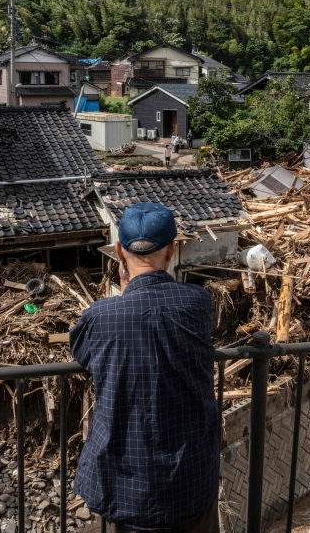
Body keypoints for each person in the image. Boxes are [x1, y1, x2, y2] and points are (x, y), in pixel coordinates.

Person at [69, 203, 219, 533]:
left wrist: (125, 295)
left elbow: (81, 353)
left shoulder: (100, 315)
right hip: (190, 480)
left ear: (119, 252)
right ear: (172, 250)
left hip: (125, 488)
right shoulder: (197, 302)